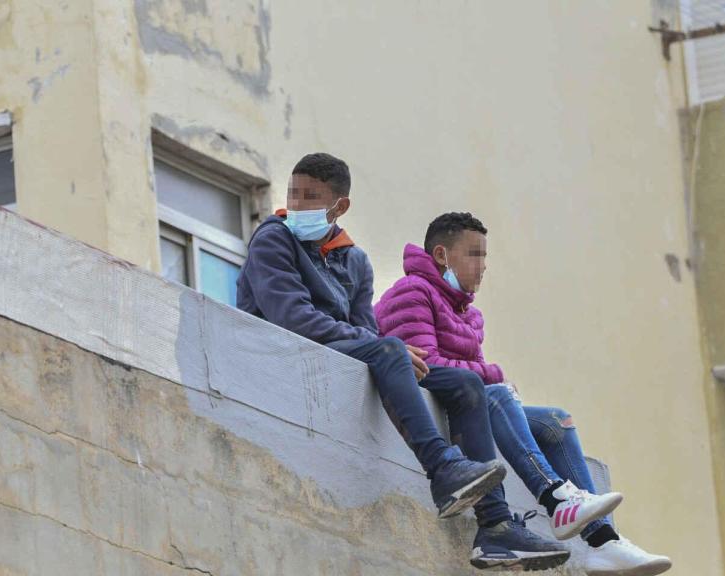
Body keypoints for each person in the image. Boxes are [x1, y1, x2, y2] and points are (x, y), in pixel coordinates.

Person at [236, 154, 567, 571]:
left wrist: (382, 349)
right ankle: (443, 468)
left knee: (467, 386)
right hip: (283, 353)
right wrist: (383, 348)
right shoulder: (274, 238)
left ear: (340, 207)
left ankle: (496, 527)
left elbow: (364, 331)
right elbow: (292, 317)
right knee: (392, 349)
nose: (298, 205)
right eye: (293, 194)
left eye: (312, 197)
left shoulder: (354, 261)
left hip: (341, 357)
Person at [374, 212, 673, 576]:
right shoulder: (412, 292)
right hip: (427, 404)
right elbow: (427, 366)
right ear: (441, 255)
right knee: (498, 393)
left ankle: (605, 543)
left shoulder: (469, 313)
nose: (483, 266)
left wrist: (490, 381)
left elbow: (471, 377)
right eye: (474, 254)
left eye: (485, 256)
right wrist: (494, 375)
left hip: (467, 404)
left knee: (555, 421)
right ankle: (555, 496)